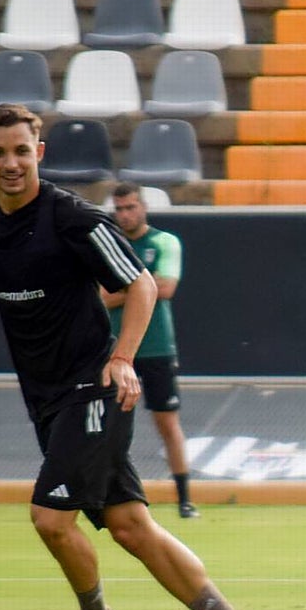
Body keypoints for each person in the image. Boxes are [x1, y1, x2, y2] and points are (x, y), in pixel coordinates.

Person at [0, 104, 271, 610]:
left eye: (22, 150)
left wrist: (121, 357)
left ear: (39, 153)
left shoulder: (74, 217)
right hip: (44, 399)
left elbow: (142, 284)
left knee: (51, 519)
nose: (11, 163)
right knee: (129, 525)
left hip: (93, 389)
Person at [101, 181, 198, 519]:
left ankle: (184, 497)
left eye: (131, 207)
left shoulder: (163, 241)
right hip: (116, 349)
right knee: (110, 426)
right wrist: (144, 287)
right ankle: (111, 496)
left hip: (156, 346)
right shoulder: (108, 245)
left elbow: (166, 287)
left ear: (142, 207)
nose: (125, 214)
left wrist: (127, 289)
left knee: (167, 422)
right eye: (120, 208)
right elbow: (100, 297)